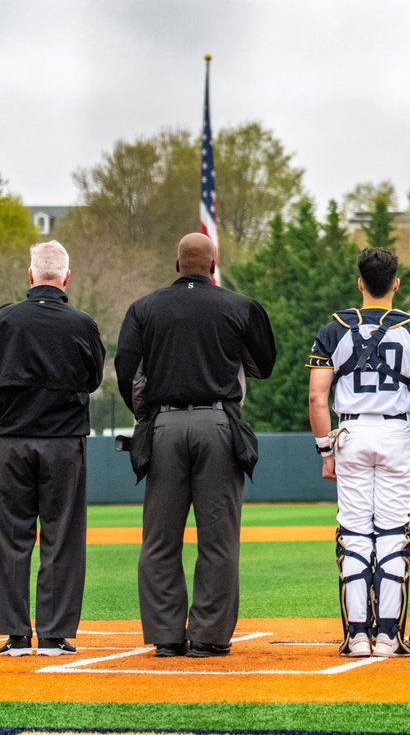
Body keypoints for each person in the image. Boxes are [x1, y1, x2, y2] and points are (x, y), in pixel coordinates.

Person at [115, 233, 276, 659]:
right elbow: (266, 365)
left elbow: (124, 370)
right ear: (214, 264)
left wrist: (147, 413)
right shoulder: (240, 306)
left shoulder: (144, 308)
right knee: (219, 540)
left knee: (159, 539)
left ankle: (167, 637)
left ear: (176, 263)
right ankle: (208, 637)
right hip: (218, 423)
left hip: (164, 423)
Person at [0, 240, 104, 657]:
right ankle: (53, 635)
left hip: (12, 442)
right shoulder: (81, 323)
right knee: (62, 537)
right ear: (66, 277)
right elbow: (94, 379)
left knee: (13, 538)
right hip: (64, 444)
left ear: (30, 275)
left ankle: (15, 636)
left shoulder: (4, 321)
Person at [307, 247, 410, 658]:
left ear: (360, 283)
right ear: (396, 284)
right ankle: (388, 636)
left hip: (349, 432)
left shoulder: (332, 329)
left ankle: (357, 636)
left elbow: (317, 398)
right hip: (397, 433)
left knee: (353, 534)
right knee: (391, 534)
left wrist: (325, 450)